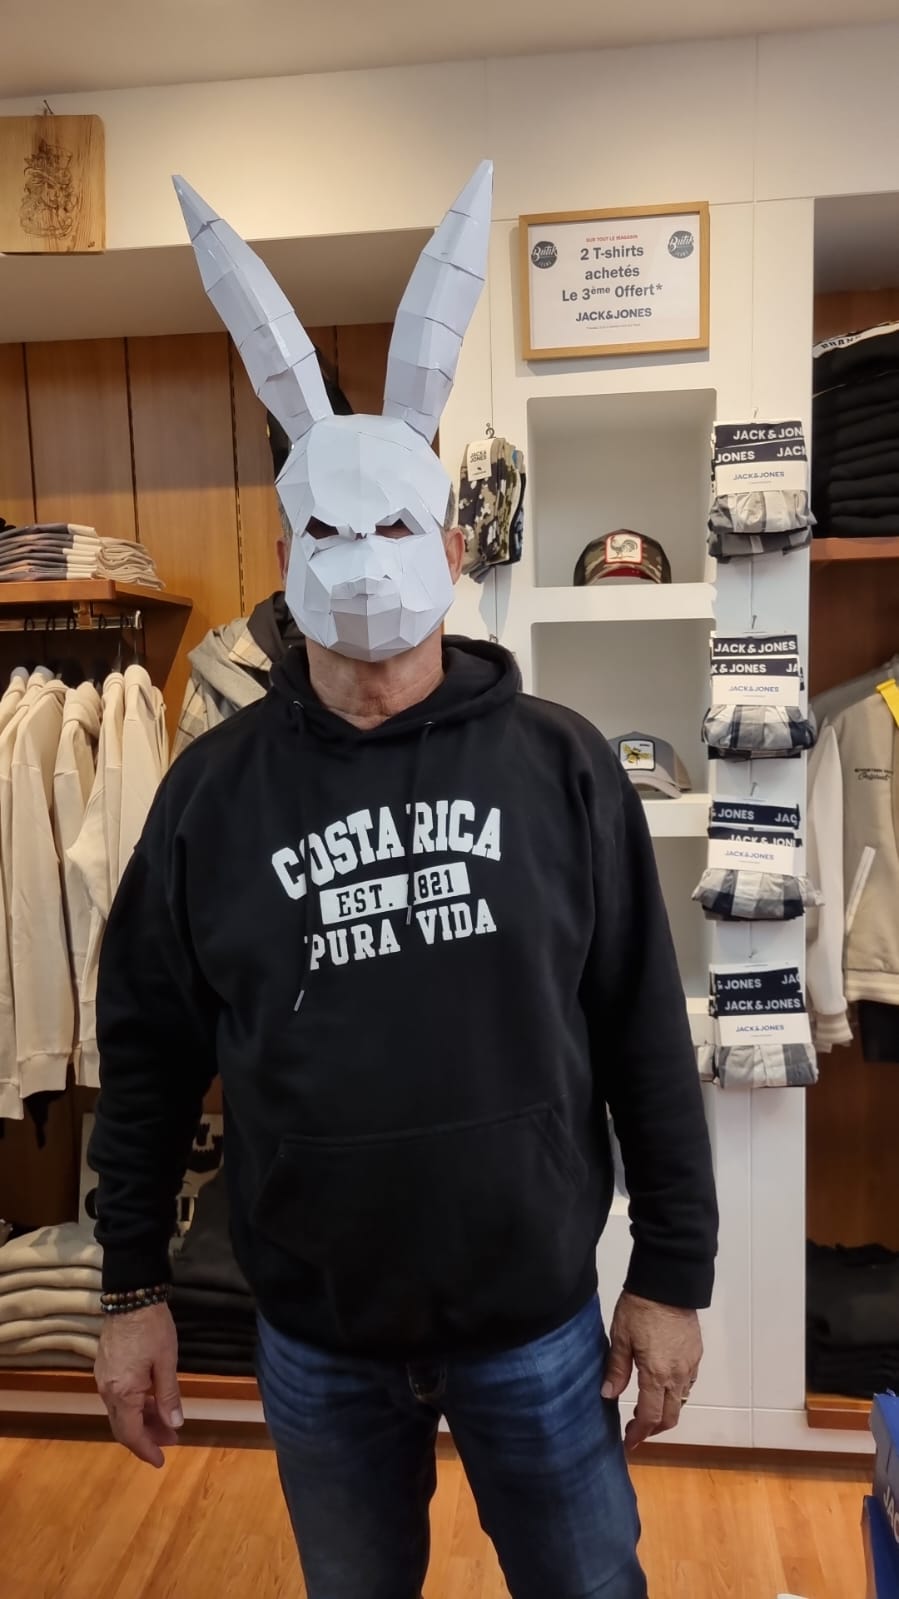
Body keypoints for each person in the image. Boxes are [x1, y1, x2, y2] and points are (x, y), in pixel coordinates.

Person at [90, 161, 717, 1599]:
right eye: (329, 534)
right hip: (317, 1336)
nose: (365, 569)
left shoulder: (561, 767)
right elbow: (146, 1053)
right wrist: (128, 1286)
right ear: (281, 551)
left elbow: (639, 1027)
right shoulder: (210, 794)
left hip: (536, 1328)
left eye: (392, 532)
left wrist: (670, 1271)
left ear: (449, 542)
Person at [171, 386, 352, 758]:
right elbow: (187, 792)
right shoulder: (224, 667)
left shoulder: (405, 666)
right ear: (286, 558)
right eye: (321, 531)